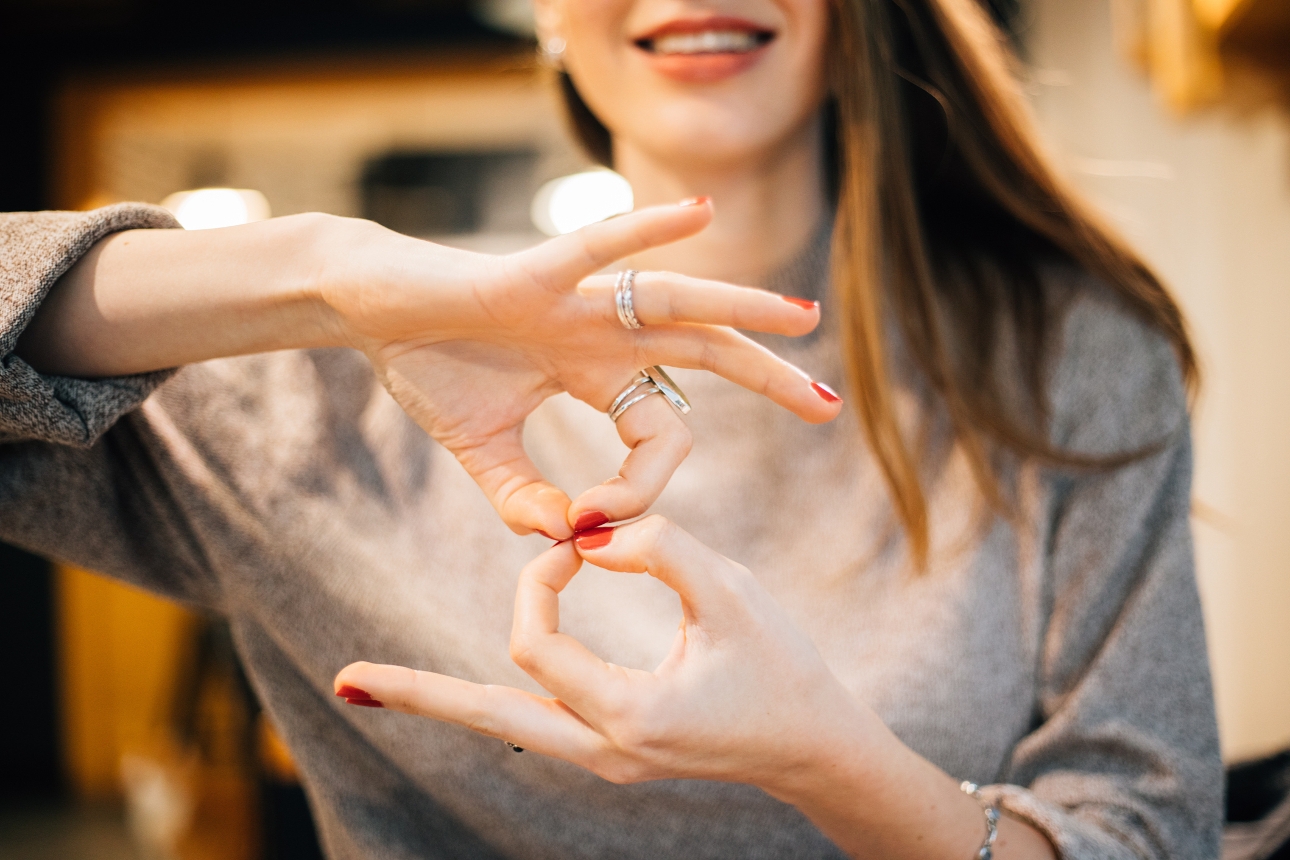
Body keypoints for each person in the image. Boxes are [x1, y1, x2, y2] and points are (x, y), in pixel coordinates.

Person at [1, 1, 1220, 860]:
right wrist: (324, 270)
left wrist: (834, 762)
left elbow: (1153, 828)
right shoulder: (320, 375)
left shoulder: (1066, 354)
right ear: (542, 13)